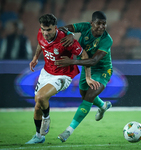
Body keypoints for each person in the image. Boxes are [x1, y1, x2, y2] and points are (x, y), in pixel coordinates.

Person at [26, 14, 100, 144]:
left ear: (55, 28)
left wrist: (87, 77)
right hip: (46, 73)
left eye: (48, 30)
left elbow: (84, 55)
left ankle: (47, 118)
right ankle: (39, 136)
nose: (45, 33)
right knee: (37, 106)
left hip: (62, 75)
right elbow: (41, 43)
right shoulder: (41, 33)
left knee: (41, 97)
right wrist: (35, 58)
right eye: (43, 29)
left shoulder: (66, 40)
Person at [55, 11, 113, 142]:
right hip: (86, 66)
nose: (102, 27)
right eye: (99, 23)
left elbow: (93, 61)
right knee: (84, 95)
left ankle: (68, 131)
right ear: (92, 23)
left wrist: (71, 61)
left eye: (104, 24)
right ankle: (103, 106)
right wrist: (70, 34)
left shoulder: (107, 39)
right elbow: (61, 29)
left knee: (90, 95)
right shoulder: (85, 27)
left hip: (102, 70)